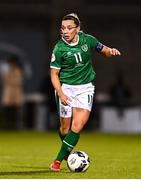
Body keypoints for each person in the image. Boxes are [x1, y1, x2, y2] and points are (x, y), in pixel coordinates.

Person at [49, 13, 121, 171]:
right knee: (64, 129)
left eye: (69, 28)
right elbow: (54, 74)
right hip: (65, 88)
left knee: (78, 125)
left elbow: (104, 50)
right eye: (62, 28)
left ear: (78, 29)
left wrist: (111, 51)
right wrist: (61, 93)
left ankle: (57, 161)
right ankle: (67, 151)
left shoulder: (88, 40)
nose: (65, 31)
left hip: (85, 88)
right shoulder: (59, 48)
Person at [1, 55, 24, 130]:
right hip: (8, 93)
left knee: (15, 111)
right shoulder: (7, 70)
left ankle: (15, 126)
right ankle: (6, 126)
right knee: (7, 111)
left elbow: (18, 81)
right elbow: (6, 80)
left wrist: (11, 82)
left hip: (16, 92)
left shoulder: (18, 70)